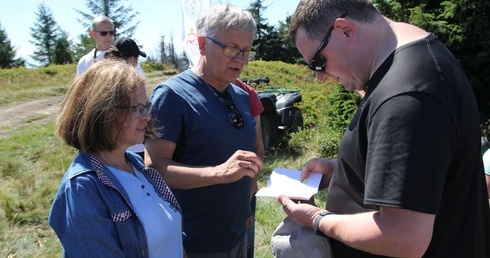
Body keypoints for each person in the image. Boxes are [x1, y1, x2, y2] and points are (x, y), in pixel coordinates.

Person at [277, 0, 490, 257]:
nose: (320, 76)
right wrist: (343, 170)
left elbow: (403, 237)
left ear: (345, 30)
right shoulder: (414, 61)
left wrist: (316, 219)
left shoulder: (404, 96)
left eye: (318, 62)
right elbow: (420, 171)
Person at [144, 3, 263, 257]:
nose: (240, 60)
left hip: (238, 234)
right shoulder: (171, 96)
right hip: (195, 243)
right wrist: (217, 174)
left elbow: (250, 153)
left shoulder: (241, 97)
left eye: (246, 51)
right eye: (231, 49)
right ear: (201, 44)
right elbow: (153, 168)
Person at [49, 59, 184, 257]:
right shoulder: (83, 189)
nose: (146, 116)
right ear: (104, 113)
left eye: (146, 106)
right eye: (137, 108)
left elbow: (174, 241)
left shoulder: (137, 166)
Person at [235, 78, 265, 258]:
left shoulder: (247, 93)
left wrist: (252, 184)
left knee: (245, 245)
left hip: (245, 187)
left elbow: (258, 145)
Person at [105, 37, 148, 158]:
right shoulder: (132, 82)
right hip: (133, 146)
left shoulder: (102, 80)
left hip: (109, 146)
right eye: (137, 59)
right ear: (131, 59)